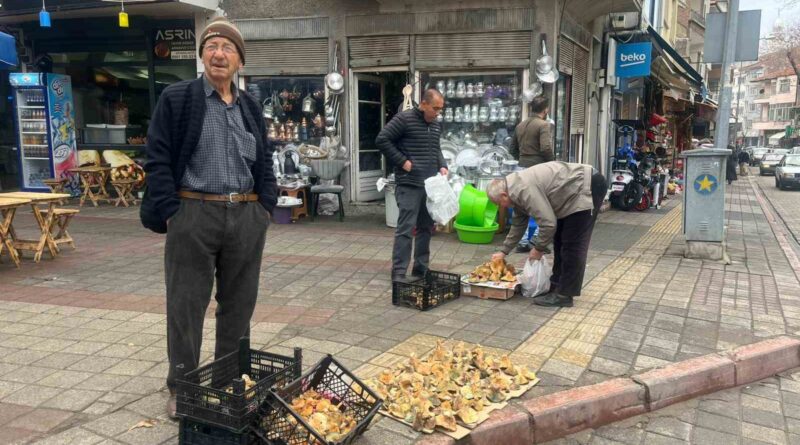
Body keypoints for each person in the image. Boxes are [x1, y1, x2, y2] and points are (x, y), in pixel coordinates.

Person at [139, 17, 277, 418]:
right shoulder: (178, 97)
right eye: (212, 46)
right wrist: (171, 212)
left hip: (246, 214)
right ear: (202, 56)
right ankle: (182, 387)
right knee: (186, 304)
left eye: (228, 48)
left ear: (239, 61)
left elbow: (264, 160)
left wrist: (263, 206)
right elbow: (158, 156)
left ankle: (227, 382)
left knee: (239, 305)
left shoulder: (250, 106)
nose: (219, 54)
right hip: (193, 213)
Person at [487, 162, 607, 308]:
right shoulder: (514, 191)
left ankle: (565, 295)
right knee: (559, 241)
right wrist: (503, 251)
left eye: (499, 203)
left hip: (586, 187)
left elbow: (548, 223)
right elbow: (518, 224)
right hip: (570, 194)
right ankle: (556, 286)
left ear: (504, 195)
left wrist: (538, 248)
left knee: (572, 245)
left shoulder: (523, 189)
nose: (501, 207)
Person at [376, 89, 448, 281]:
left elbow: (436, 148)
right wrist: (402, 162)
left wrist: (442, 165)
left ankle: (420, 268)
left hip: (429, 185)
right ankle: (399, 271)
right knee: (406, 228)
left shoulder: (435, 125)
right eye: (435, 108)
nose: (438, 113)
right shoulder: (404, 119)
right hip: (409, 184)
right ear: (423, 104)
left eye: (441, 109)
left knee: (426, 227)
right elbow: (382, 140)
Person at [509, 96, 554, 253]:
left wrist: (522, 159)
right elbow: (546, 148)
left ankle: (521, 242)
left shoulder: (520, 125)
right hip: (538, 170)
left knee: (521, 208)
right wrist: (552, 164)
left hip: (521, 169)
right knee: (542, 206)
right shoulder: (543, 125)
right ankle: (536, 240)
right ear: (546, 109)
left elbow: (512, 149)